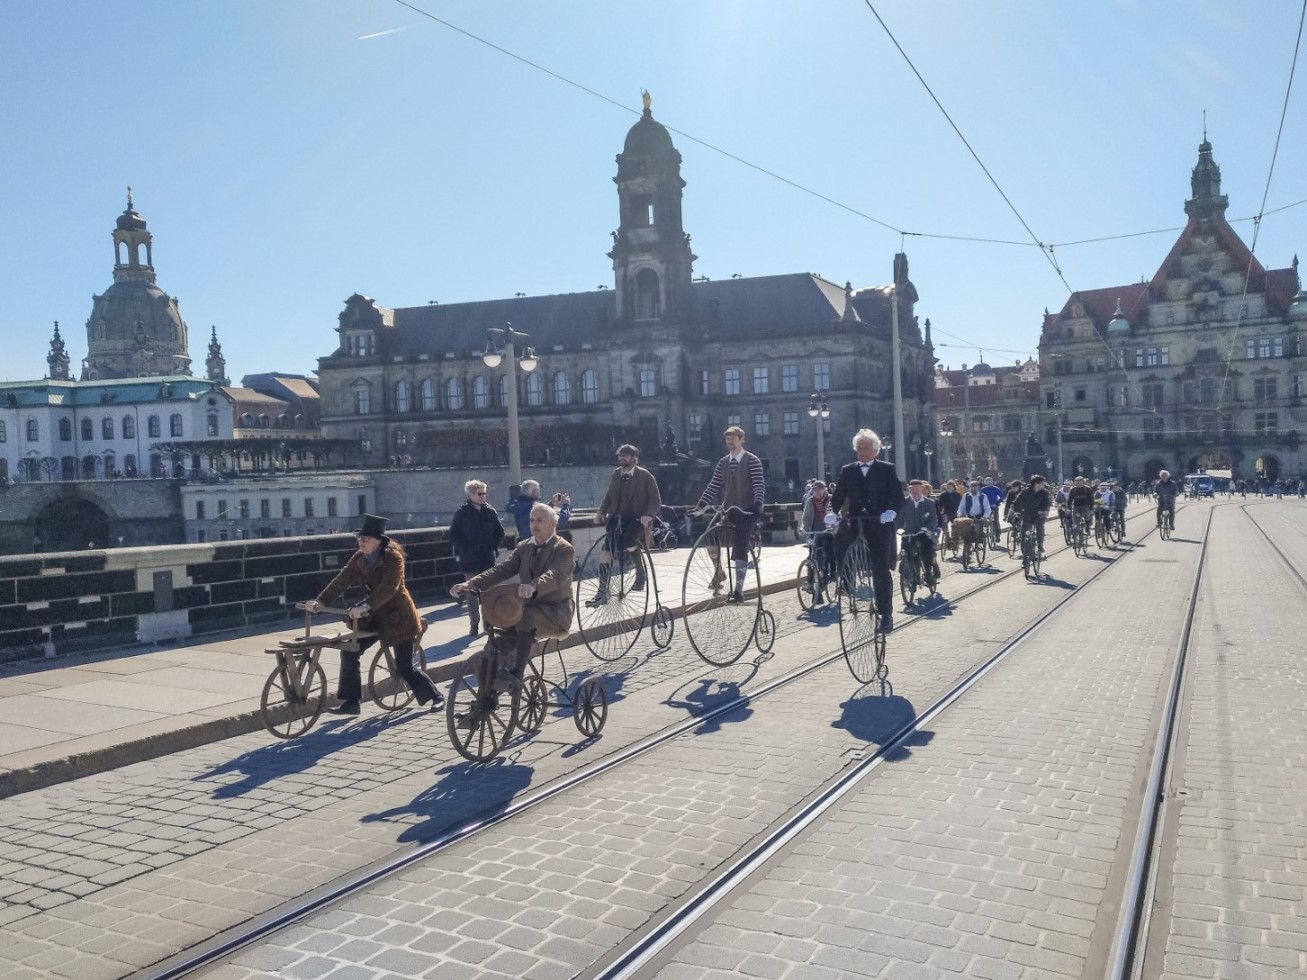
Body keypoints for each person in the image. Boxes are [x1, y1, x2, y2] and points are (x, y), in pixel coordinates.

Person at [305, 514, 442, 716]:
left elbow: (390, 588)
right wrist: (320, 601)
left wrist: (366, 606)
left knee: (404, 667)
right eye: (359, 538)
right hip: (373, 618)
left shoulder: (393, 557)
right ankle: (351, 703)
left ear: (379, 540)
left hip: (398, 618)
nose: (361, 542)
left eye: (366, 539)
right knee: (350, 651)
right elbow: (341, 580)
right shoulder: (360, 558)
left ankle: (436, 696)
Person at [450, 502, 575, 694]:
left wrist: (533, 585)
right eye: (532, 520)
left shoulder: (564, 549)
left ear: (553, 523)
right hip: (526, 608)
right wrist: (471, 584)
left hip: (556, 612)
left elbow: (555, 575)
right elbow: (503, 569)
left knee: (525, 617)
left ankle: (517, 674)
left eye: (540, 520)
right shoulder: (524, 546)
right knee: (495, 635)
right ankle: (486, 695)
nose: (535, 524)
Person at [830, 429, 904, 632]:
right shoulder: (848, 470)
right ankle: (845, 581)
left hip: (878, 521)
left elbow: (898, 498)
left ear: (875, 451)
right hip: (855, 520)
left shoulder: (886, 470)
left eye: (866, 448)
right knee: (839, 539)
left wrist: (891, 511)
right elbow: (838, 496)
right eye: (859, 448)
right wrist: (832, 512)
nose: (862, 452)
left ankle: (886, 614)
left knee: (880, 567)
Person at [695, 426, 766, 602]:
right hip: (728, 509)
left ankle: (738, 591)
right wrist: (702, 504)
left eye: (733, 439)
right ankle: (719, 571)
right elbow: (714, 484)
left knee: (740, 545)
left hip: (747, 509)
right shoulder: (723, 462)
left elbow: (759, 484)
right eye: (728, 439)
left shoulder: (752, 460)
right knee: (710, 539)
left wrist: (757, 504)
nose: (730, 442)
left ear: (742, 439)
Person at [589, 443, 661, 604]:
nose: (621, 458)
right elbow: (609, 496)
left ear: (634, 458)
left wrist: (648, 515)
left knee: (630, 541)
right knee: (606, 551)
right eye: (620, 456)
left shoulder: (645, 476)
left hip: (637, 519)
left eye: (625, 456)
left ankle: (640, 573)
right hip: (617, 517)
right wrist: (601, 512)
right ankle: (602, 590)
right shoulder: (616, 474)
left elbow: (655, 499)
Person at [448, 479, 505, 636]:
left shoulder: (490, 511)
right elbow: (453, 534)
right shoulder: (462, 512)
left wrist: (493, 546)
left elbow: (500, 532)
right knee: (471, 593)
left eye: (484, 493)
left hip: (487, 558)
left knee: (488, 593)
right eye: (480, 493)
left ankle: (489, 624)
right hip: (470, 559)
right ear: (471, 494)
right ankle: (474, 624)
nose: (483, 496)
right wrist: (464, 548)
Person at [897, 479, 939, 592]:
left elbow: (933, 519)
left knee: (926, 553)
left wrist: (928, 529)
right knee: (905, 552)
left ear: (922, 490)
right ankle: (908, 576)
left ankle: (929, 574)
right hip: (909, 532)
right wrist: (895, 527)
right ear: (909, 490)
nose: (914, 491)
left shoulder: (929, 503)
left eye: (917, 489)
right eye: (912, 489)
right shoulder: (904, 502)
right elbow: (899, 518)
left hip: (923, 533)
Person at [801, 479, 837, 603]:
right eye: (814, 490)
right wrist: (805, 529)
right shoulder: (810, 501)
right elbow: (805, 517)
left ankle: (833, 572)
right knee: (812, 555)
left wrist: (833, 526)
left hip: (827, 530)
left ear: (824, 490)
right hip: (814, 530)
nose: (816, 493)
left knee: (829, 549)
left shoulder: (830, 499)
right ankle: (810, 580)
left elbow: (836, 513)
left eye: (818, 490)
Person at [1009, 475, 1053, 560]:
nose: (1043, 485)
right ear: (1036, 484)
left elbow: (1047, 504)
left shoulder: (1044, 493)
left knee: (1040, 527)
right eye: (1042, 483)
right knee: (1024, 531)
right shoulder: (1025, 492)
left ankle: (1040, 545)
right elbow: (1017, 501)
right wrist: (1016, 511)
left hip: (1039, 514)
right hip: (1027, 514)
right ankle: (1024, 552)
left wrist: (1045, 511)